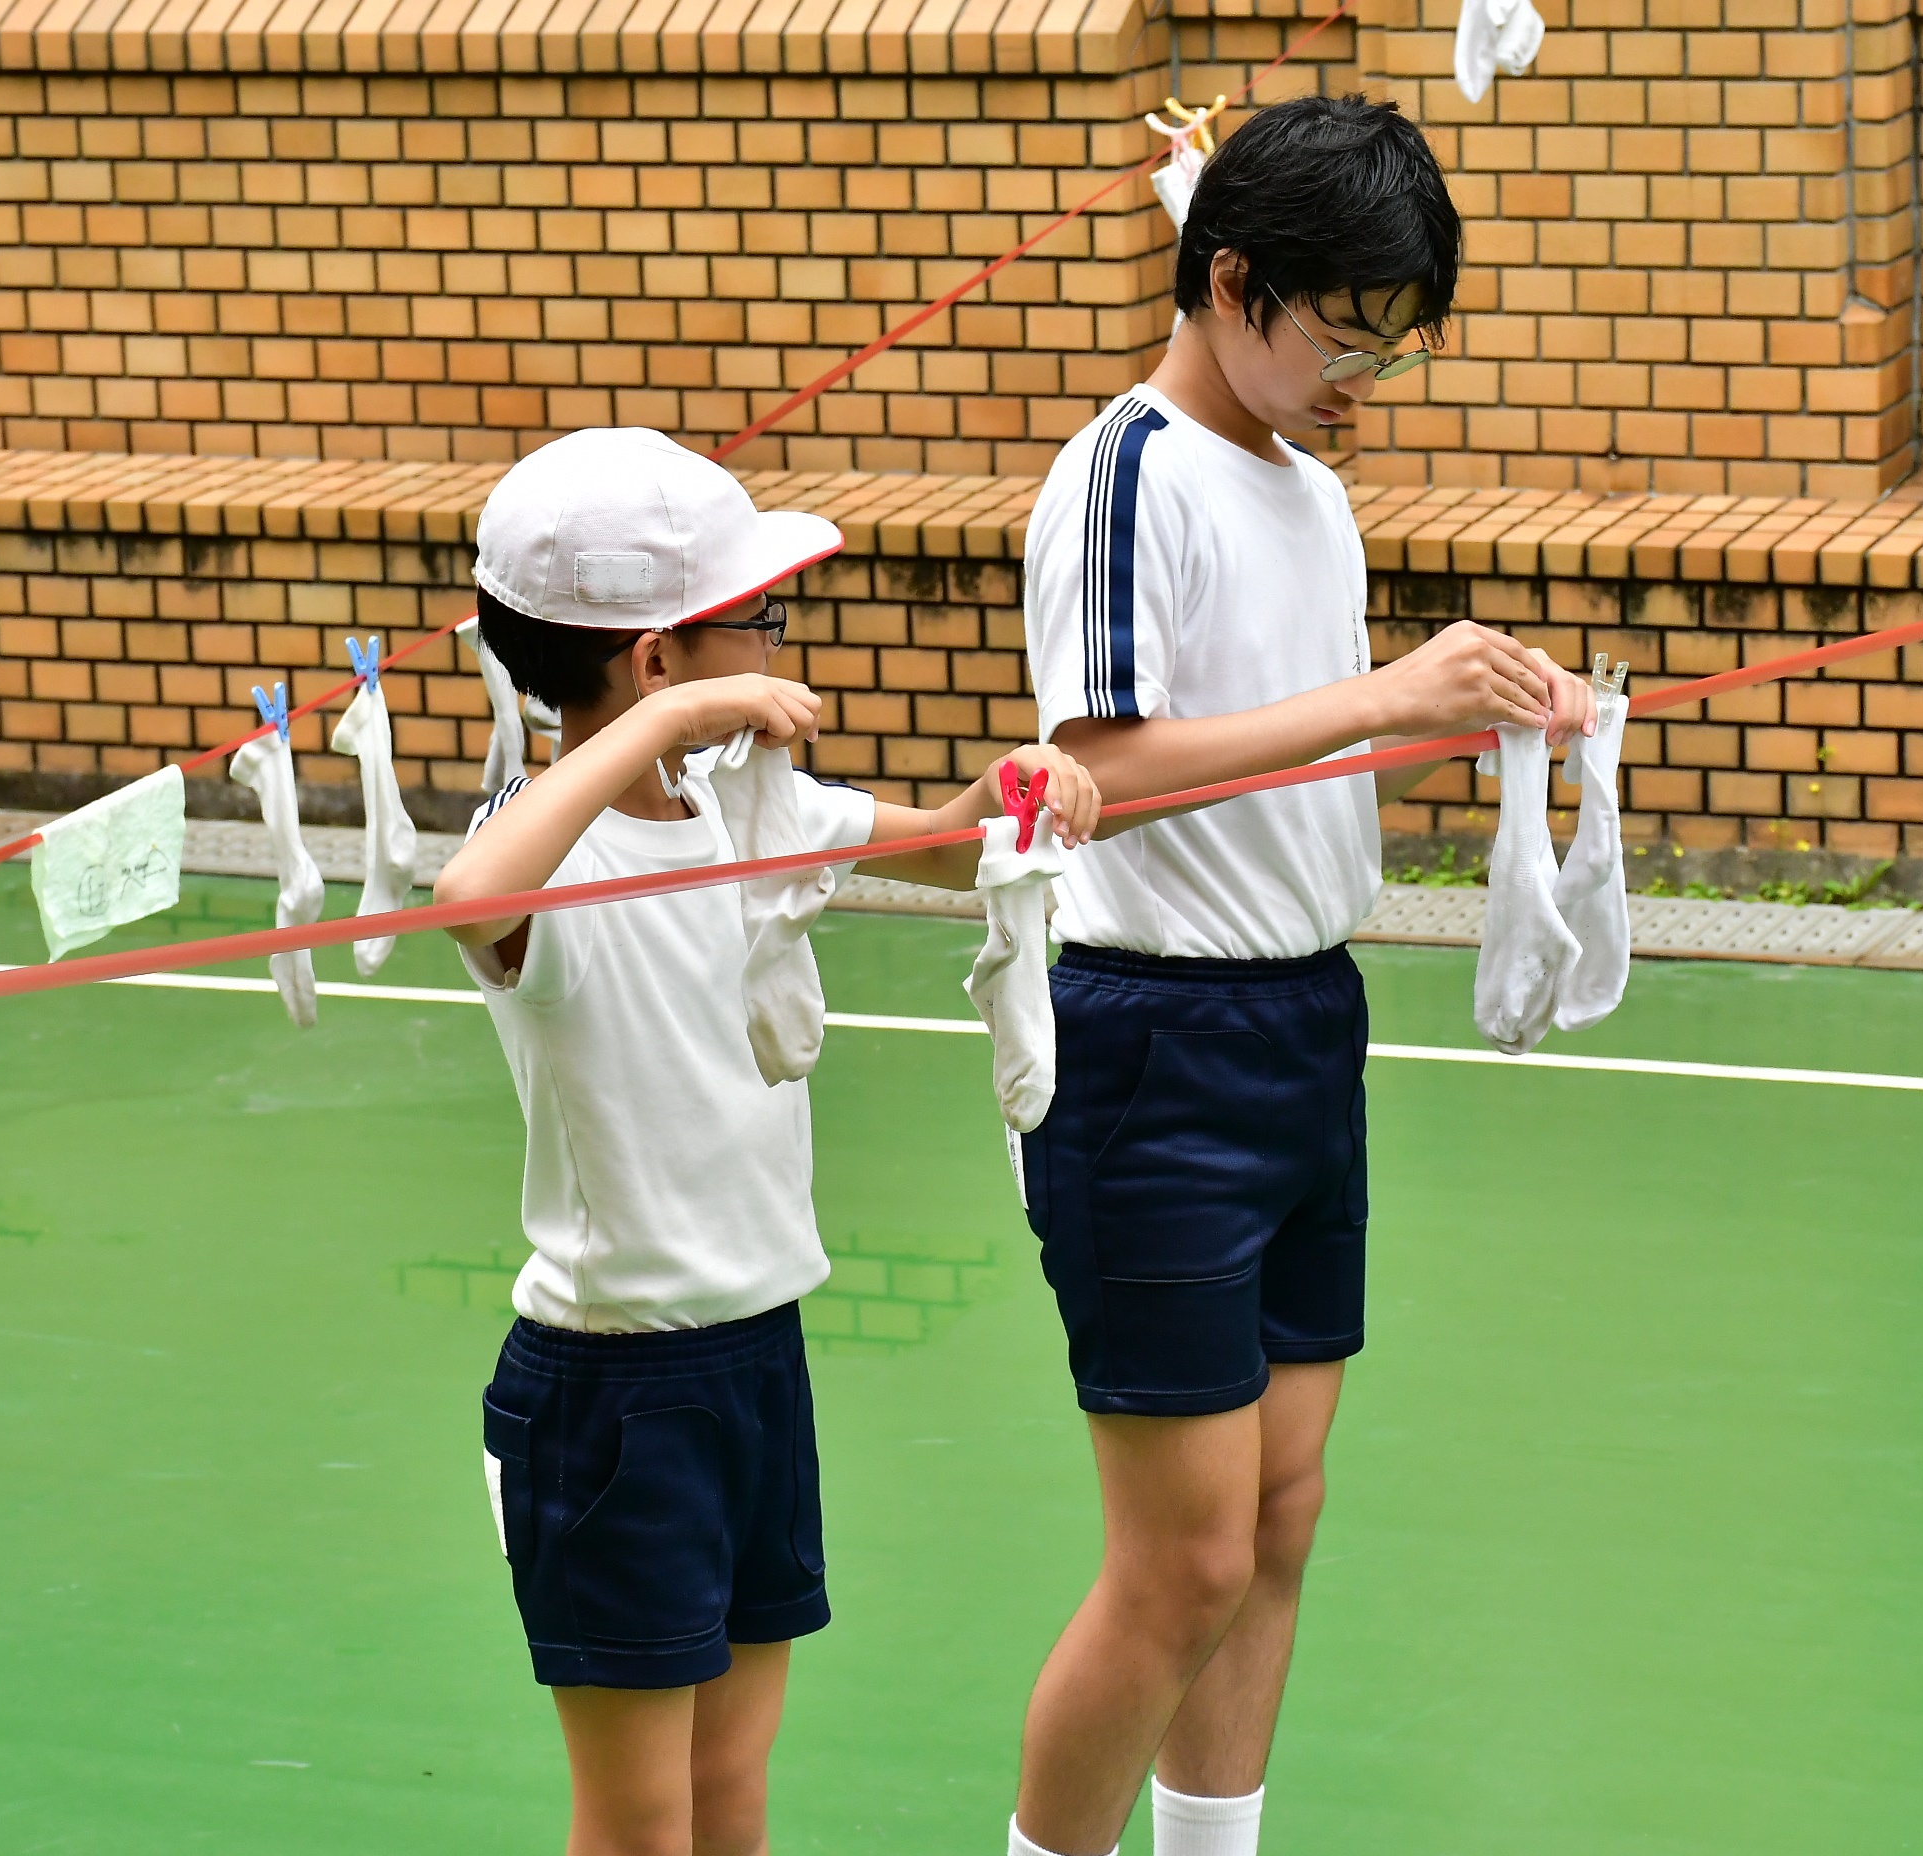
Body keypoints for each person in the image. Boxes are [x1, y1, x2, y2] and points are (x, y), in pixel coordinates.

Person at [1007, 96, 1592, 1856]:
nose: (1364, 381)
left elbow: (1291, 748)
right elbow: (1099, 769)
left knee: (1276, 1521)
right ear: (1232, 282)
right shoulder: (1125, 474)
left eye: (1393, 347)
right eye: (1346, 336)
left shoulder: (1311, 490)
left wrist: (1490, 715)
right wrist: (1390, 695)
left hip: (1304, 1025)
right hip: (1152, 1045)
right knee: (1181, 1562)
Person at [431, 426, 1101, 1856]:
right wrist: (665, 726)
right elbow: (471, 899)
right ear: (658, 663)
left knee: (731, 1791)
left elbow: (944, 842)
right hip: (613, 1394)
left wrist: (1019, 787)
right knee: (639, 1820)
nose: (782, 643)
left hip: (751, 1360)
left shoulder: (748, 805)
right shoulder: (549, 847)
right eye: (760, 620)